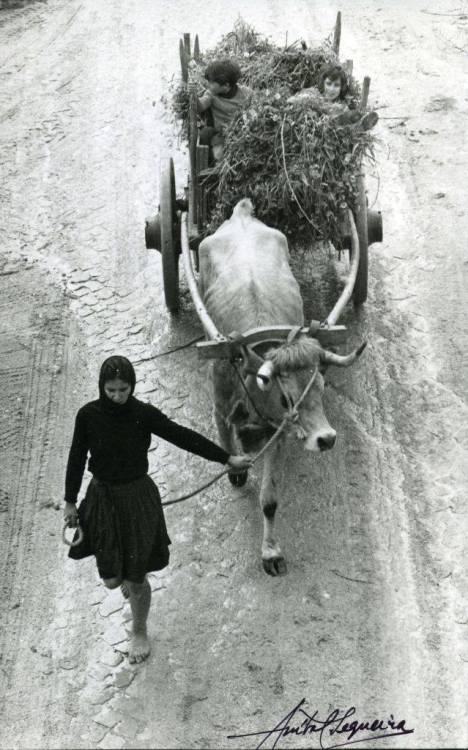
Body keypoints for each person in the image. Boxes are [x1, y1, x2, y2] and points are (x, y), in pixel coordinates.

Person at [63, 355, 251, 664]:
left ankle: (139, 630)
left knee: (137, 578)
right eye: (110, 390)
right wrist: (70, 501)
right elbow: (76, 457)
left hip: (138, 497)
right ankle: (125, 579)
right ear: (101, 387)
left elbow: (182, 436)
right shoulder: (87, 415)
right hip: (101, 498)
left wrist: (227, 458)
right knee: (112, 579)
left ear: (132, 386)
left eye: (123, 389)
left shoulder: (142, 414)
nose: (117, 397)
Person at [189, 59, 252, 162]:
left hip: (242, 132)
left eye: (212, 82)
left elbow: (257, 105)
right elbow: (200, 106)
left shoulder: (245, 93)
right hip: (221, 134)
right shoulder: (211, 95)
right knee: (219, 157)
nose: (208, 84)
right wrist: (194, 96)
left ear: (226, 85)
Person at [288, 63, 378, 131]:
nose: (331, 89)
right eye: (329, 84)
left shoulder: (343, 107)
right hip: (309, 131)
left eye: (336, 85)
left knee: (344, 120)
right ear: (323, 83)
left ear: (341, 87)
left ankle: (361, 126)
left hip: (333, 133)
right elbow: (291, 101)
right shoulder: (312, 94)